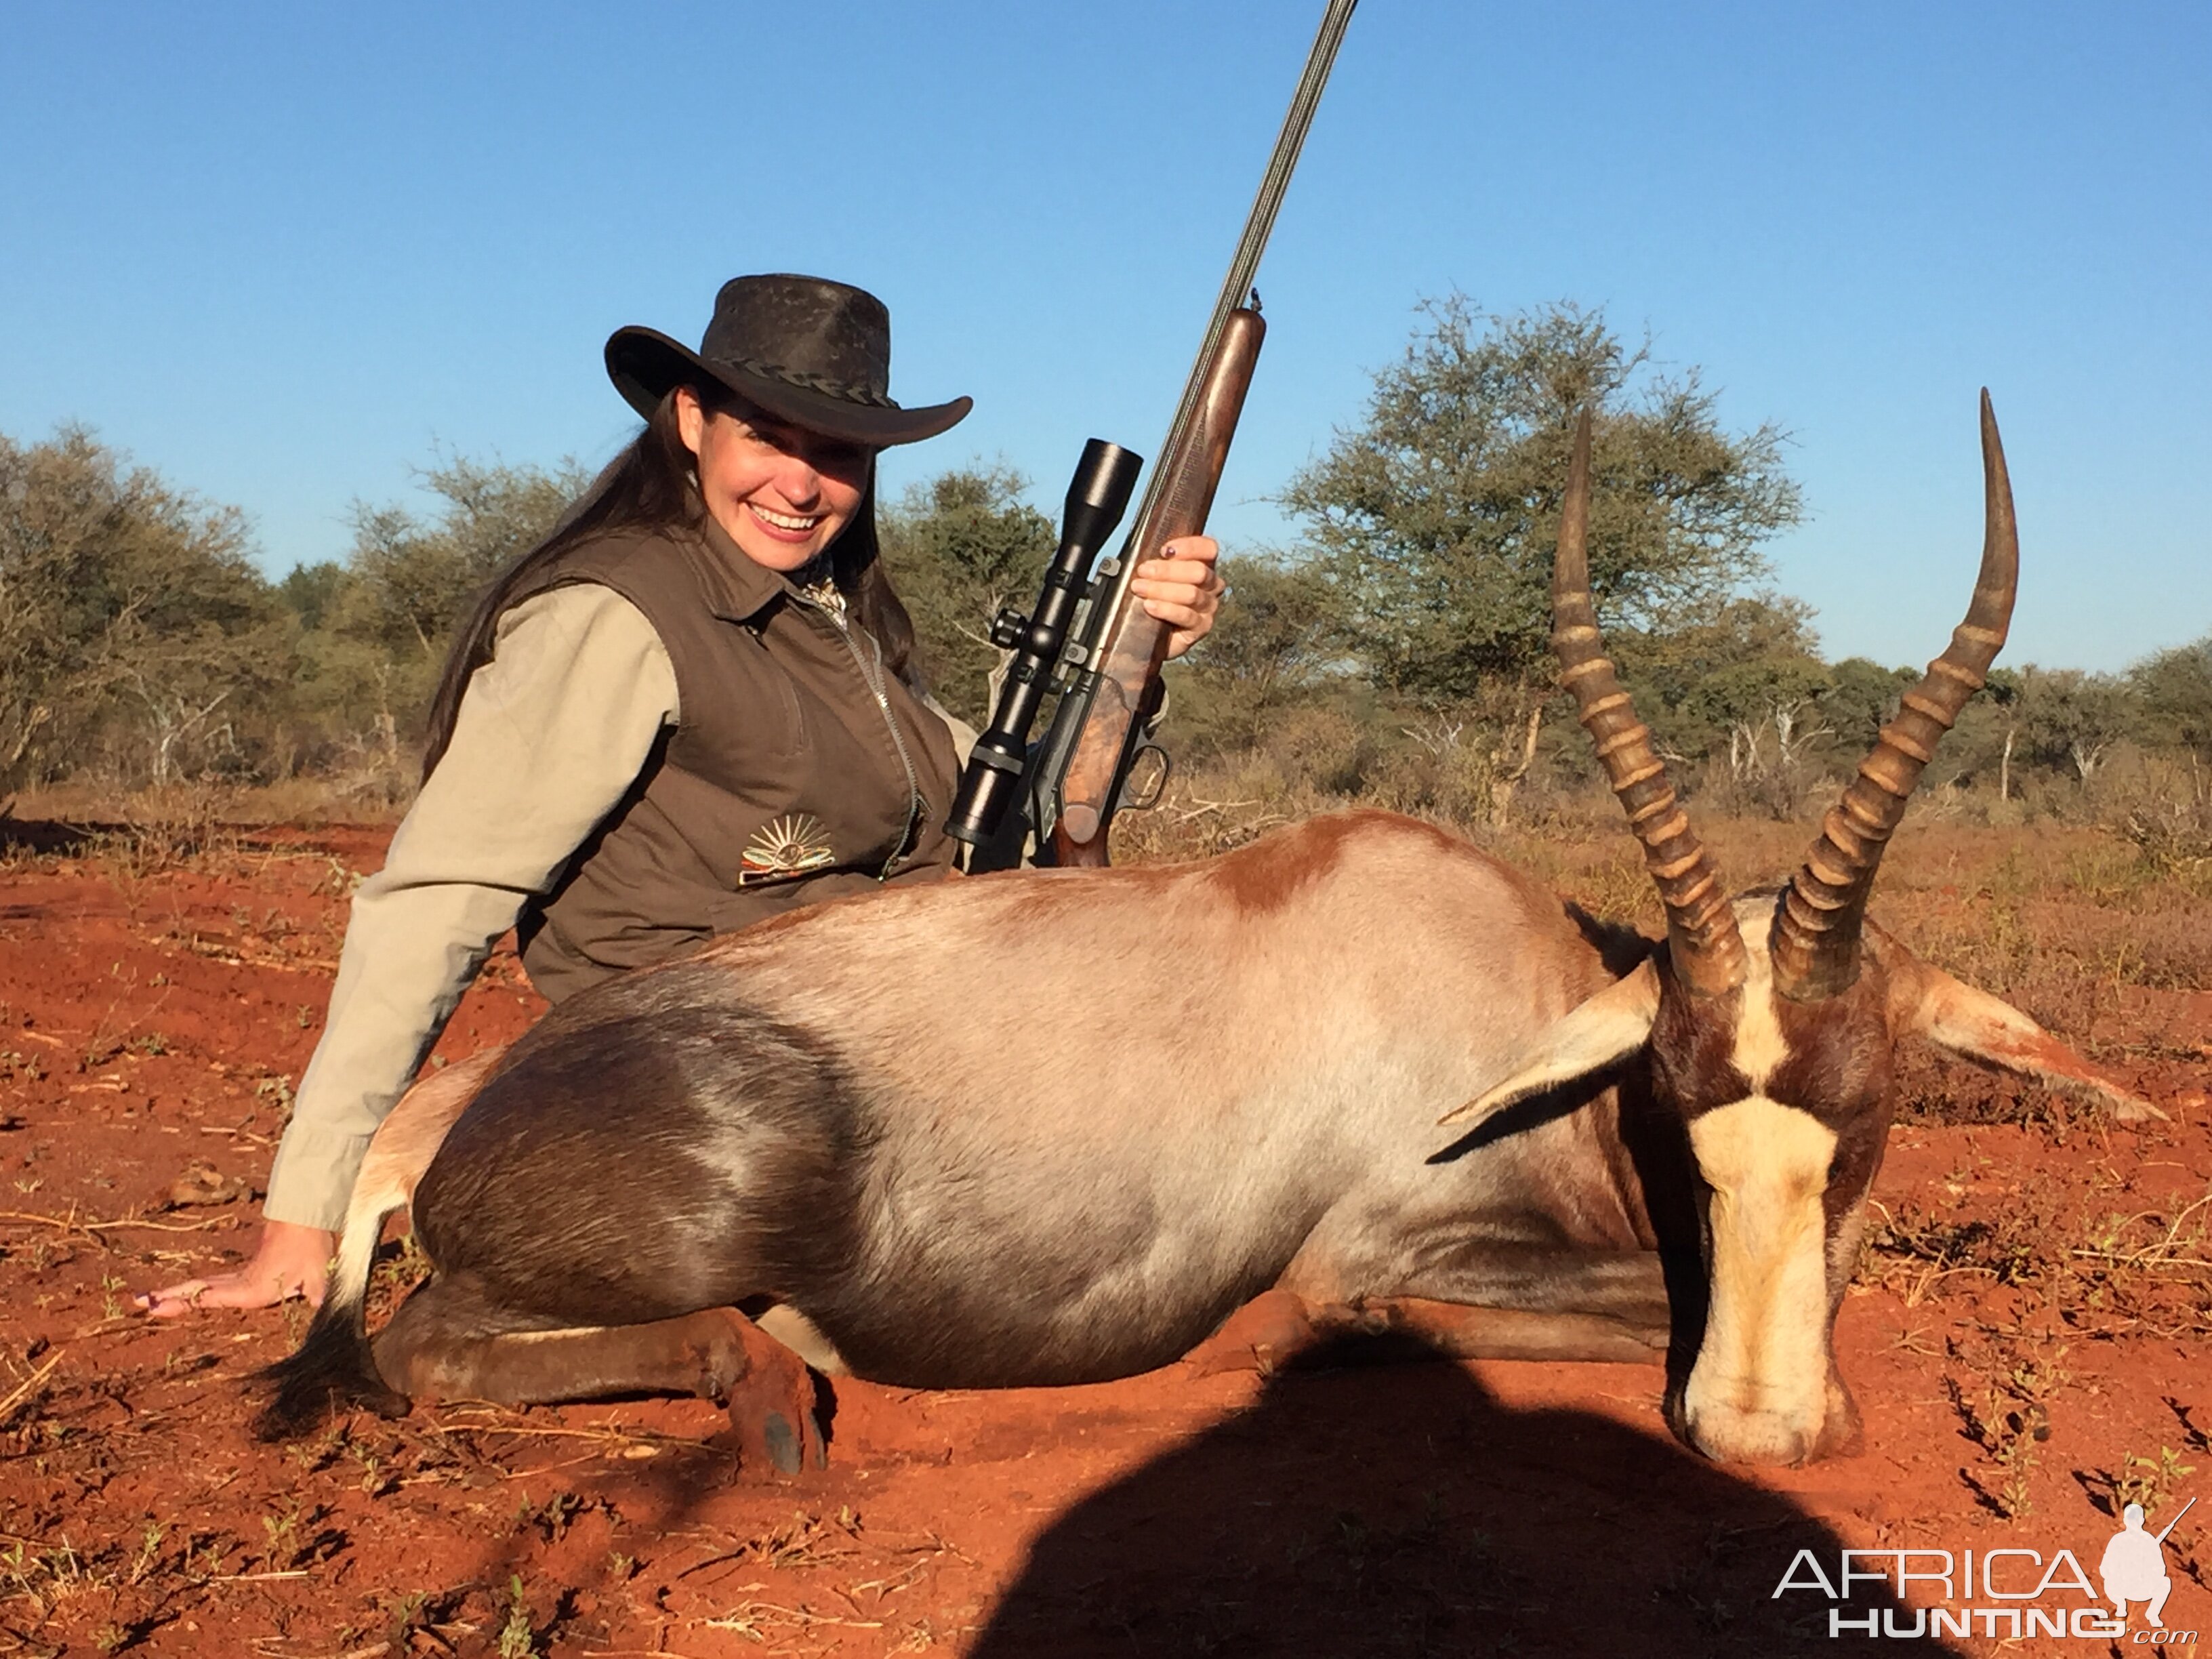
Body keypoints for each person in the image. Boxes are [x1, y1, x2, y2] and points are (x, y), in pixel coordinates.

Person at [139, 274, 1223, 1318]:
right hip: (722, 1072)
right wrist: (304, 1218)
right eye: (767, 436)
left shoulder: (831, 617)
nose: (801, 486)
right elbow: (436, 901)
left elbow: (996, 803)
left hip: (887, 1031)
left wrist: (1136, 656)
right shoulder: (618, 609)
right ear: (692, 420)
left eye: (836, 452)